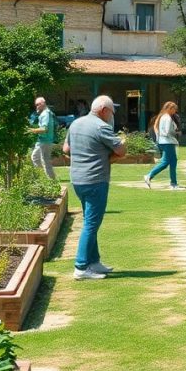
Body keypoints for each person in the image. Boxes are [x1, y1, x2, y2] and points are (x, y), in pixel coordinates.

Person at [63, 94, 126, 280]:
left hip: (78, 180)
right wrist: (123, 141)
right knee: (91, 223)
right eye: (112, 111)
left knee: (90, 220)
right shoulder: (101, 127)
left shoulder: (76, 123)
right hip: (95, 180)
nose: (112, 115)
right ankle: (81, 267)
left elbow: (66, 150)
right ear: (103, 110)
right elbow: (121, 150)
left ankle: (93, 261)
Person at [144, 101, 180, 189]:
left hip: (165, 142)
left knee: (173, 161)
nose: (175, 111)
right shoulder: (167, 118)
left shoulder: (163, 117)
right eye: (174, 109)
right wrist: (176, 132)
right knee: (165, 162)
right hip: (168, 142)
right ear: (170, 108)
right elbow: (167, 131)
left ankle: (174, 183)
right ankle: (149, 175)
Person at [28, 96, 56, 179]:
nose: (36, 106)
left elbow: (44, 129)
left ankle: (46, 180)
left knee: (40, 159)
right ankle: (47, 179)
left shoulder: (45, 114)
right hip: (44, 140)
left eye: (38, 105)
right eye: (36, 105)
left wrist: (32, 130)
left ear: (43, 104)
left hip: (44, 141)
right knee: (40, 159)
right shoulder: (46, 113)